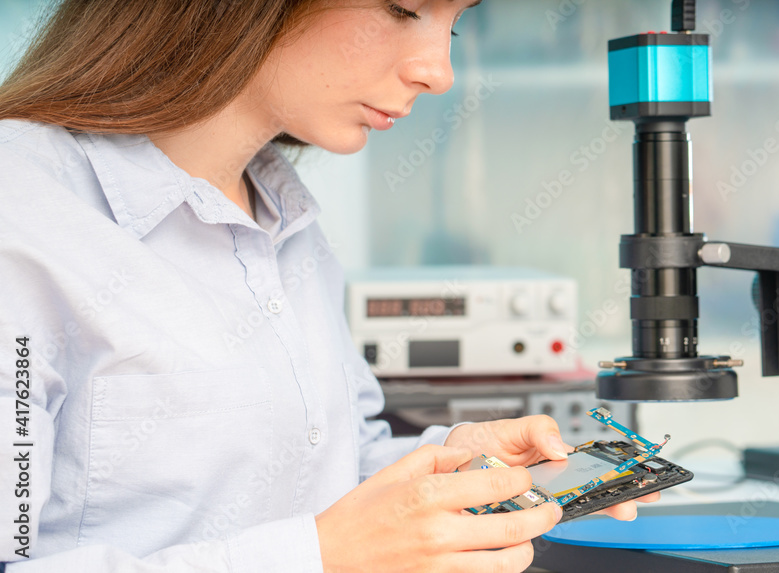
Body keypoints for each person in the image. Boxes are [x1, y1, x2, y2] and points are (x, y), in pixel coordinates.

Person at [0, 1, 656, 571]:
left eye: (453, 28)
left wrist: (453, 462)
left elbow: (321, 473)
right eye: (404, 8)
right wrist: (320, 559)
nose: (438, 72)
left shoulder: (284, 216)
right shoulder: (22, 208)